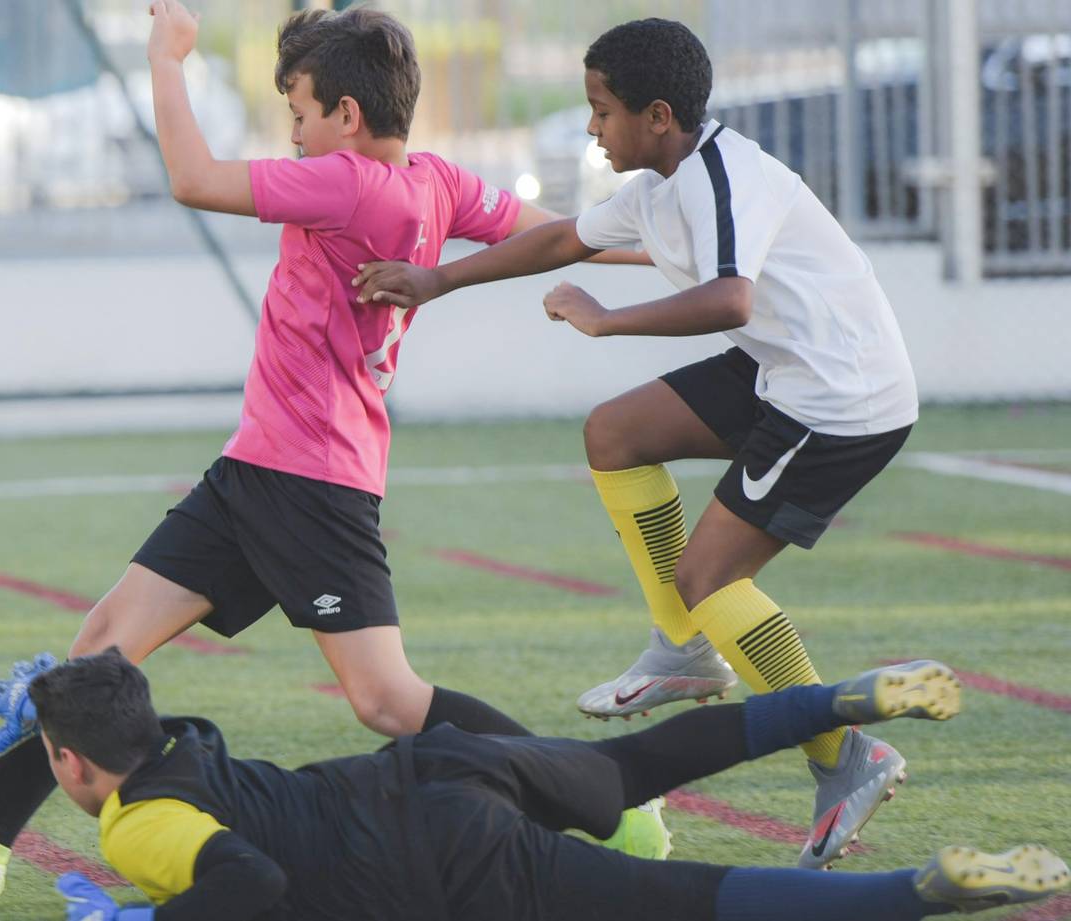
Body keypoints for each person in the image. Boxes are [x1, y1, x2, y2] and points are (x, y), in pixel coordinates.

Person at [0, 1, 656, 903]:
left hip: (309, 481)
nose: (294, 135)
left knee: (388, 701)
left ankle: (603, 797)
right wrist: (661, 246)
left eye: (299, 113)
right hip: (258, 472)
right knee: (101, 648)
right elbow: (552, 231)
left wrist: (167, 58)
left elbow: (193, 179)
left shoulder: (347, 182)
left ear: (348, 114)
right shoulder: (434, 181)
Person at [352, 18, 921, 868]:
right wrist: (437, 281)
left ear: (658, 116)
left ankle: (845, 753)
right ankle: (683, 647)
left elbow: (731, 299)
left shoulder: (725, 176)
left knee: (709, 577)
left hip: (841, 396)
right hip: (783, 367)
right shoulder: (660, 183)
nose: (591, 126)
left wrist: (607, 320)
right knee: (615, 433)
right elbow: (562, 238)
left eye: (602, 109)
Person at [32, 650, 1065, 921]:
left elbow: (249, 882)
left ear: (73, 763)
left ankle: (916, 891)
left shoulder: (131, 823)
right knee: (641, 764)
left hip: (433, 857)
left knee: (672, 900)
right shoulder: (184, 744)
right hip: (442, 763)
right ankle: (836, 700)